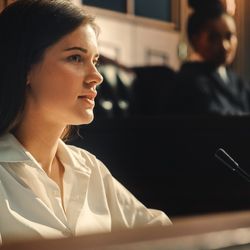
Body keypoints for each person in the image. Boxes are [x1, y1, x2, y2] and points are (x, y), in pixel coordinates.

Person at [0, 0, 171, 245]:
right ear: (25, 68)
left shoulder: (90, 169)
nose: (96, 76)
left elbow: (162, 234)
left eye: (95, 61)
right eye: (75, 58)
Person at [168, 0, 250, 115]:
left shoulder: (236, 81)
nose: (224, 46)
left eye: (229, 36)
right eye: (214, 37)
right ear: (195, 39)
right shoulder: (189, 81)